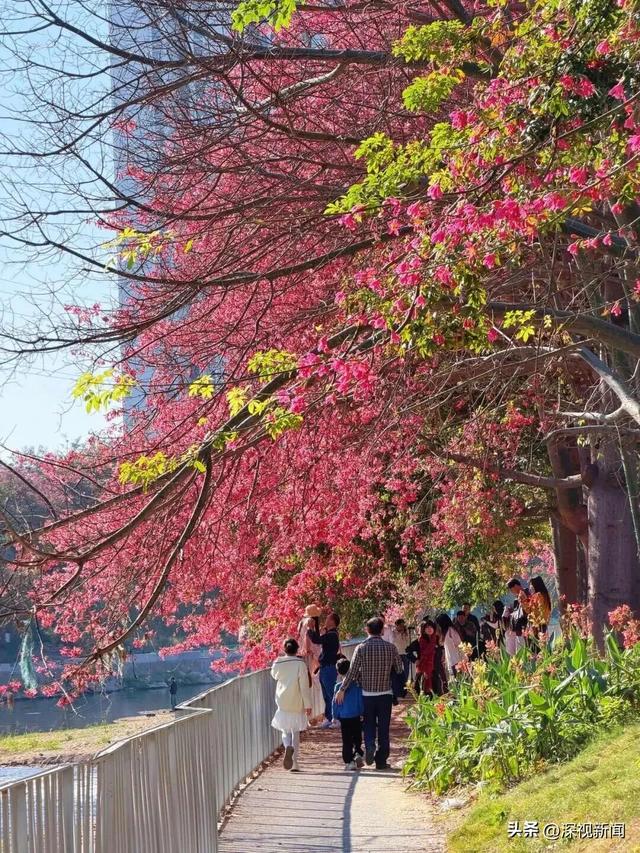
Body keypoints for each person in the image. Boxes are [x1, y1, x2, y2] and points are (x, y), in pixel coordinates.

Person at [335, 616, 403, 770]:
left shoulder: (361, 648)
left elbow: (352, 672)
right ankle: (381, 760)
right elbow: (399, 669)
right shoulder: (391, 648)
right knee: (384, 727)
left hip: (367, 694)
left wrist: (342, 689)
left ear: (367, 630)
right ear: (382, 630)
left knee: (369, 724)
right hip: (386, 694)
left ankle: (370, 745)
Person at [271, 638, 312, 772]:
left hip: (283, 700)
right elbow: (304, 686)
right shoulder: (300, 664)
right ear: (297, 649)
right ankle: (294, 762)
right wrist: (308, 704)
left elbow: (274, 675)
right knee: (295, 732)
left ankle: (287, 746)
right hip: (297, 701)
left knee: (285, 731)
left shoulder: (278, 662)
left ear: (285, 649)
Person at [308, 611, 341, 729]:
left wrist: (310, 628)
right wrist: (315, 622)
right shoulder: (330, 634)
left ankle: (337, 718)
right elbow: (319, 638)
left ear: (332, 621)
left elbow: (316, 640)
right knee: (326, 695)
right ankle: (329, 717)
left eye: (327, 619)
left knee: (331, 694)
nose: (325, 620)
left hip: (329, 668)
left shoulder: (332, 635)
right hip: (324, 668)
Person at [332, 658, 365, 771]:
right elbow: (360, 700)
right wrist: (362, 712)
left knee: (347, 741)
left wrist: (334, 716)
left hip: (344, 717)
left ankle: (349, 761)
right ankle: (358, 753)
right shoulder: (357, 685)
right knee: (357, 737)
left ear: (338, 672)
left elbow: (335, 703)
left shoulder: (338, 687)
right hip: (356, 715)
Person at [406, 620, 436, 695]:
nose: (429, 629)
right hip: (422, 670)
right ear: (423, 629)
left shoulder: (436, 640)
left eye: (431, 627)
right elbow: (408, 651)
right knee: (422, 694)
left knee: (436, 694)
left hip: (435, 670)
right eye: (427, 627)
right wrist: (415, 660)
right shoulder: (419, 641)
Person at [436, 613, 464, 677]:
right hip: (452, 660)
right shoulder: (446, 632)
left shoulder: (451, 630)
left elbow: (459, 644)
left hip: (456, 660)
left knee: (459, 679)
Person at [507, 578, 531, 651]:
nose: (512, 592)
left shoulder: (527, 594)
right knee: (520, 652)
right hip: (519, 630)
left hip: (526, 628)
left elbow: (528, 610)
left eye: (511, 590)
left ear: (516, 586)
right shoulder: (516, 599)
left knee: (527, 650)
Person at [391, 618, 411, 692]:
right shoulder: (393, 632)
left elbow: (409, 641)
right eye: (400, 625)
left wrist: (405, 633)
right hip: (397, 653)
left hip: (405, 652)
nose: (402, 627)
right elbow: (394, 641)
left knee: (406, 668)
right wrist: (400, 634)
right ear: (397, 625)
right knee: (397, 668)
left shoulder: (407, 631)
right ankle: (398, 682)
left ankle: (405, 683)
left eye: (403, 625)